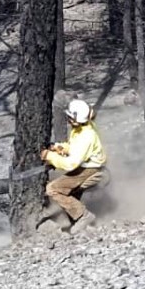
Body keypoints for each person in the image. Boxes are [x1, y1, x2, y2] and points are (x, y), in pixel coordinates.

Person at [41, 99, 107, 231]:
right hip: (87, 165)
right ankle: (76, 221)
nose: (68, 119)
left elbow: (71, 163)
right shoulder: (82, 128)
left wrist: (49, 156)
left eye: (70, 117)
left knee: (53, 188)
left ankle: (84, 216)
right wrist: (61, 148)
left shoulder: (86, 136)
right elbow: (75, 148)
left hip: (89, 169)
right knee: (66, 190)